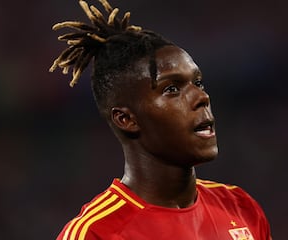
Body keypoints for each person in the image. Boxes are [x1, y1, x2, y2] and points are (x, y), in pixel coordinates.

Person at [49, 0, 272, 239]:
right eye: (172, 89)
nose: (201, 97)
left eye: (197, 83)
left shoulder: (240, 207)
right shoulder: (97, 232)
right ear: (126, 119)